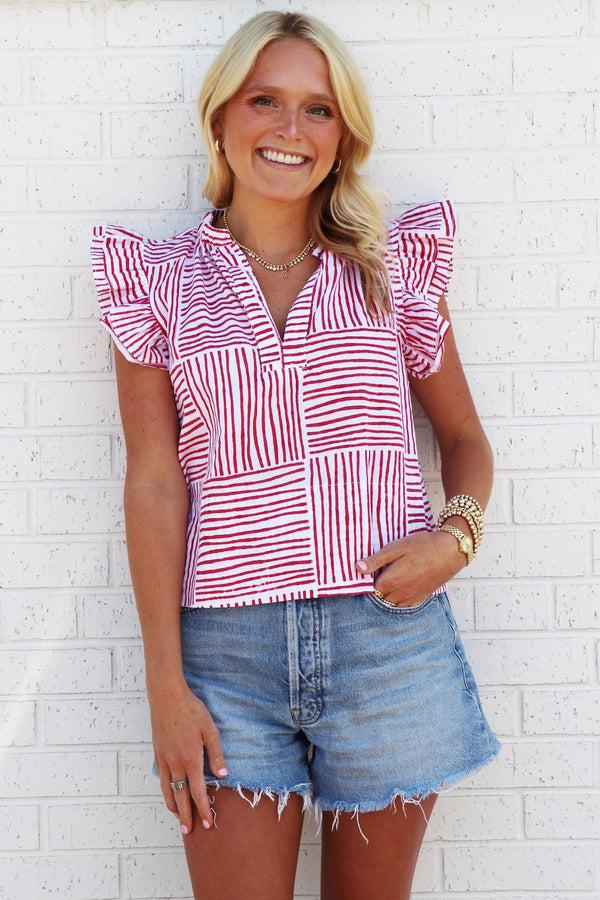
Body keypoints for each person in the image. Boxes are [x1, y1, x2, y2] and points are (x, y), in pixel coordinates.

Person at [90, 9, 501, 899]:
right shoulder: (156, 282)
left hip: (387, 645)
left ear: (343, 135)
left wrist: (455, 539)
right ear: (220, 118)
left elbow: (465, 441)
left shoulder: (392, 268)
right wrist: (165, 682)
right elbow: (156, 483)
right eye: (265, 100)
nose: (290, 128)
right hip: (225, 658)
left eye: (318, 110)